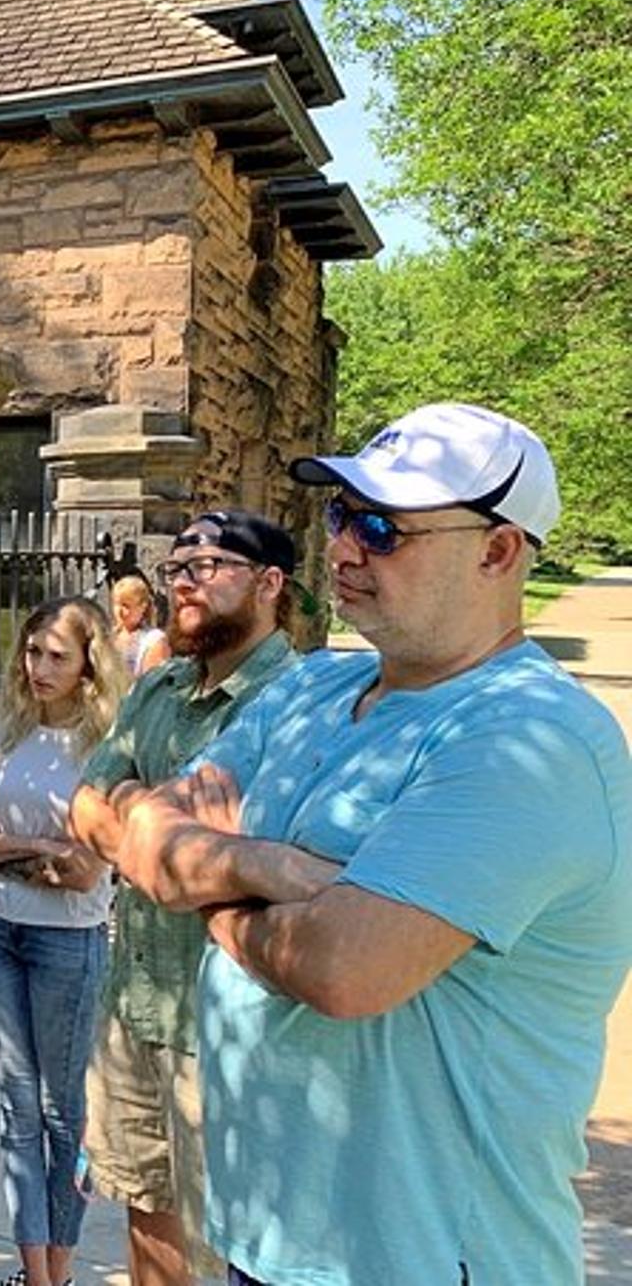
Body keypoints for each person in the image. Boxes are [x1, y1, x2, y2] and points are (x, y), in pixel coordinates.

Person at [88, 404, 632, 1284]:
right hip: (270, 1236)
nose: (343, 548)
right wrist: (278, 870)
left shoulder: (528, 738)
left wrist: (204, 881)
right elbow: (139, 832)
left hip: (420, 1255)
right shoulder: (314, 685)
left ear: (499, 550)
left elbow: (343, 966)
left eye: (384, 527)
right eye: (342, 515)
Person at [65, 512, 299, 1286]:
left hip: (225, 1028)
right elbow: (85, 805)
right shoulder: (160, 685)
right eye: (176, 567)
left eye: (211, 565)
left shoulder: (295, 703)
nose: (186, 580)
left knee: (225, 1239)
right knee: (146, 1210)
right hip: (136, 999)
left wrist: (141, 816)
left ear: (271, 584)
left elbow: (254, 858)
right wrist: (163, 825)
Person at [0, 597, 124, 1286]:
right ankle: (33, 1273)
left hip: (68, 942)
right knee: (15, 1104)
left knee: (63, 1110)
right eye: (32, 650)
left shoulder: (105, 746)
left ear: (88, 665)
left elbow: (80, 873)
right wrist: (31, 844)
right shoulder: (9, 728)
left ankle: (63, 1267)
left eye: (57, 655)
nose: (38, 666)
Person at [110, 574, 172, 677]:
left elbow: (151, 686)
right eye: (116, 604)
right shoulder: (108, 636)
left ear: (142, 607)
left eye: (126, 606)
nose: (119, 611)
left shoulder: (154, 640)